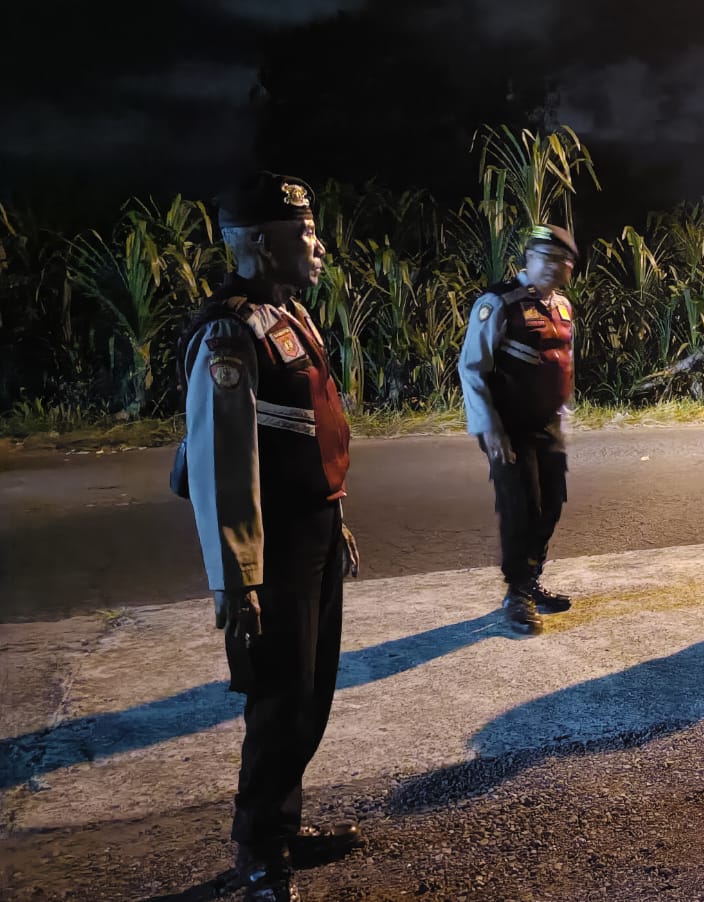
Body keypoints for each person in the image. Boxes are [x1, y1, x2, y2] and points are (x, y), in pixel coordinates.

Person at [179, 171, 362, 901]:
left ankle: (283, 825)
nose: (318, 246)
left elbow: (307, 427)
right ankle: (258, 848)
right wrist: (238, 577)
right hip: (273, 544)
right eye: (304, 234)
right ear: (257, 242)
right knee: (280, 697)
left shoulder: (288, 314)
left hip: (314, 528)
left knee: (310, 691)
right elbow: (223, 466)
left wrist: (337, 517)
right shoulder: (230, 330)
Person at [458, 225, 580, 631]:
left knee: (552, 504)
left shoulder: (562, 307)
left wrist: (564, 414)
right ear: (528, 259)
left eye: (562, 260)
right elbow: (472, 367)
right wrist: (488, 426)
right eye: (546, 258)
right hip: (508, 427)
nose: (554, 266)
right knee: (522, 507)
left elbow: (562, 364)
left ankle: (531, 579)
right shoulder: (499, 302)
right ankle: (517, 593)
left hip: (549, 424)